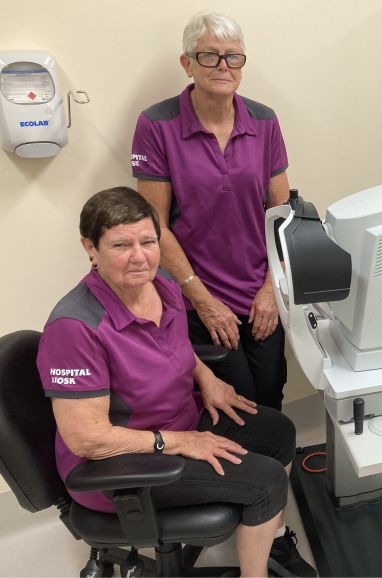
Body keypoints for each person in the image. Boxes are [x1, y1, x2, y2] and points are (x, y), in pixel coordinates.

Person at [36, 188, 314, 578]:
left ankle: (274, 537)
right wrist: (179, 443)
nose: (139, 256)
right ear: (90, 248)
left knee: (279, 431)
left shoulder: (162, 286)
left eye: (148, 241)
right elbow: (87, 439)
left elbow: (177, 343)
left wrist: (207, 378)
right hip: (121, 466)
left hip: (181, 423)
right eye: (121, 244)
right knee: (265, 481)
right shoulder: (75, 328)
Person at [131, 11, 289, 411]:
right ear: (187, 63)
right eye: (209, 56)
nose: (223, 66)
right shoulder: (156, 124)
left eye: (233, 57)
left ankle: (275, 473)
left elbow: (281, 213)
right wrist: (203, 301)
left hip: (260, 293)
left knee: (271, 395)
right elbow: (155, 226)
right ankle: (249, 473)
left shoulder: (264, 120)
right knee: (236, 404)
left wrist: (272, 290)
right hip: (198, 297)